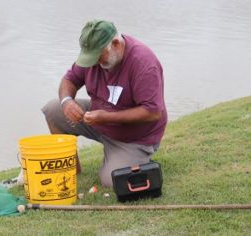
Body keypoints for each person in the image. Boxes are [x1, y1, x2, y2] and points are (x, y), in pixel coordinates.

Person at [41, 19, 167, 187]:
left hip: (134, 137)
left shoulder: (143, 63)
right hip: (99, 119)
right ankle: (72, 169)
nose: (94, 63)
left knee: (111, 179)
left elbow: (152, 112)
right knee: (53, 110)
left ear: (115, 44)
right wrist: (67, 102)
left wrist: (106, 117)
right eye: (90, 58)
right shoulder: (93, 57)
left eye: (98, 57)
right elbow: (69, 80)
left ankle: (138, 156)